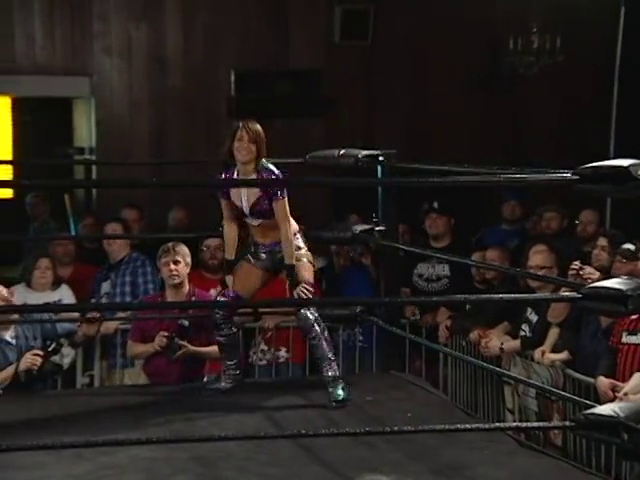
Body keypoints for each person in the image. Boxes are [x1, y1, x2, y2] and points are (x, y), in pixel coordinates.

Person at [211, 119, 349, 406]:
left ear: (259, 146)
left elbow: (285, 225)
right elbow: (230, 223)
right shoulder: (226, 180)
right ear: (231, 144)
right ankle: (232, 373)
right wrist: (228, 265)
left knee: (304, 306)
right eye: (239, 140)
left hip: (289, 246)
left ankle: (334, 379)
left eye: (250, 141)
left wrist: (291, 272)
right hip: (260, 251)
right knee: (223, 307)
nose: (243, 146)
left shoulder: (270, 176)